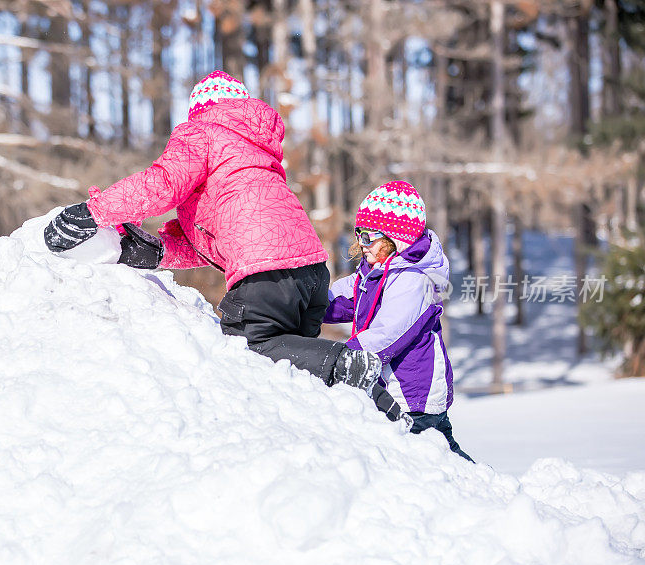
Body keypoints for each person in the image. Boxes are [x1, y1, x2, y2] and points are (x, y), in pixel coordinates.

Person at [44, 71, 409, 425]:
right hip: (310, 273)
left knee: (249, 352)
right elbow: (219, 233)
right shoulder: (254, 152)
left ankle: (349, 364)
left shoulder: (202, 132)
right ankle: (375, 414)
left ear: (199, 109)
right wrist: (159, 252)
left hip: (266, 274)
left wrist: (95, 212)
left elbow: (163, 183)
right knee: (292, 374)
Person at [323, 181, 473, 460]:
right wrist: (311, 304)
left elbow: (388, 333)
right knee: (432, 460)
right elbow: (347, 295)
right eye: (359, 235)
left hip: (414, 397)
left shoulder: (412, 280)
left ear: (396, 239)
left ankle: (487, 493)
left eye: (368, 237)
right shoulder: (378, 271)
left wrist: (343, 358)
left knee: (438, 461)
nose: (361, 244)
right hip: (395, 390)